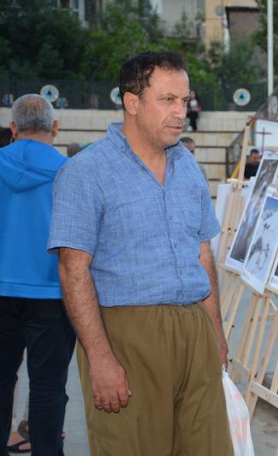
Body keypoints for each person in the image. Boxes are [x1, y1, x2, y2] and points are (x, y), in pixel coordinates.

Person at [48, 51, 232, 455]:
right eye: (168, 99)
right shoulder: (85, 172)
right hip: (128, 336)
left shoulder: (189, 168)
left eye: (184, 100)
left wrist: (214, 330)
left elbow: (203, 253)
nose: (180, 111)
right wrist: (100, 358)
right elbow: (72, 269)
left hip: (195, 332)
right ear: (132, 102)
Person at [0, 94, 76, 456]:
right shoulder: (69, 172)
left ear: (13, 129)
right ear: (55, 129)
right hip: (52, 294)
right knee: (48, 387)